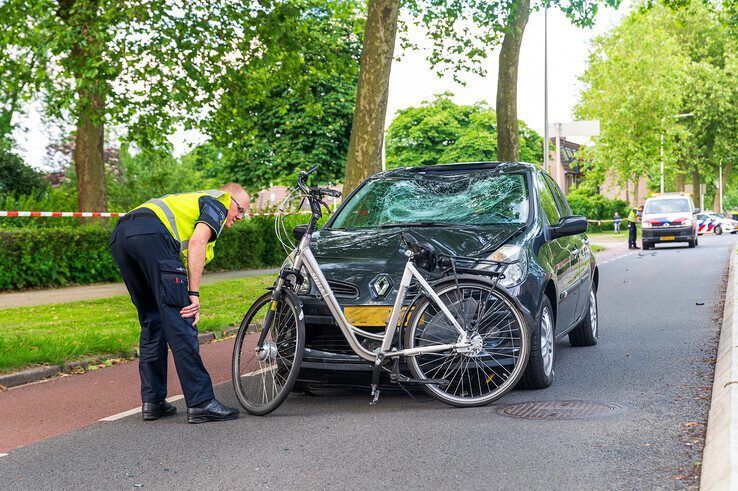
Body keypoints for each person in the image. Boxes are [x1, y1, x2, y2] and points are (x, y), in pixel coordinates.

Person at [109, 183, 250, 424]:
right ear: (231, 199)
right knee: (181, 316)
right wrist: (193, 293)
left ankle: (153, 402)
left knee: (152, 319)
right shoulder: (217, 202)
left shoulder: (191, 202)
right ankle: (201, 402)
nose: (241, 217)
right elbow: (197, 243)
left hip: (122, 235)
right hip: (152, 234)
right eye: (241, 210)